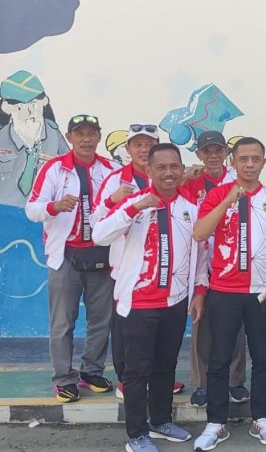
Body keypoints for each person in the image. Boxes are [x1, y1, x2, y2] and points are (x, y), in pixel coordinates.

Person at [92, 143, 206, 452]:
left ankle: (160, 421)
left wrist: (199, 290)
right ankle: (137, 434)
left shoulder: (190, 207)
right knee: (136, 371)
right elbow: (99, 235)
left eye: (174, 166)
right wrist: (134, 208)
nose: (169, 173)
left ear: (181, 168)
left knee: (165, 365)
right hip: (138, 304)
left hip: (174, 302)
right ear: (149, 170)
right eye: (161, 167)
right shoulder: (133, 202)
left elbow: (199, 254)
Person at [192, 137, 266, 450]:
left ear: (263, 162)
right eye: (243, 159)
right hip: (223, 291)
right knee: (219, 360)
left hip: (262, 292)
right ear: (232, 162)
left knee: (263, 358)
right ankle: (216, 422)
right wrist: (226, 202)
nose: (249, 164)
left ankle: (261, 418)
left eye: (255, 159)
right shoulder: (217, 194)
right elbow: (199, 233)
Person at [25, 114, 118, 402]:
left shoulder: (112, 169)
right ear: (70, 137)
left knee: (101, 320)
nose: (86, 139)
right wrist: (54, 206)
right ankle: (64, 378)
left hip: (102, 255)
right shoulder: (54, 169)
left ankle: (91, 371)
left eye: (91, 133)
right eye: (80, 134)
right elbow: (32, 208)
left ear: (99, 136)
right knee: (63, 322)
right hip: (65, 256)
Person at [91, 123, 187, 400]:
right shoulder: (116, 180)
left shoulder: (173, 178)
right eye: (138, 144)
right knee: (126, 334)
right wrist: (116, 202)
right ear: (128, 148)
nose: (143, 149)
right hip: (128, 270)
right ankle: (127, 380)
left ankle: (158, 381)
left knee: (161, 336)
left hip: (166, 275)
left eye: (149, 144)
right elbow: (97, 223)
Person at [181, 130, 249, 408]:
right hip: (200, 260)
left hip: (231, 260)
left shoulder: (238, 181)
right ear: (198, 154)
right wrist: (185, 178)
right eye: (207, 151)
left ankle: (235, 381)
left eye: (218, 150)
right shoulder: (191, 183)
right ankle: (203, 384)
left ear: (226, 154)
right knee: (201, 325)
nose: (213, 156)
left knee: (236, 326)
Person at [0, 70, 68, 207]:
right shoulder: (2, 137)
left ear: (44, 103)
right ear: (7, 109)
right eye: (20, 108)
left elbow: (72, 172)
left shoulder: (53, 134)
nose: (29, 112)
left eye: (34, 105)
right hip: (5, 213)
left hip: (44, 211)